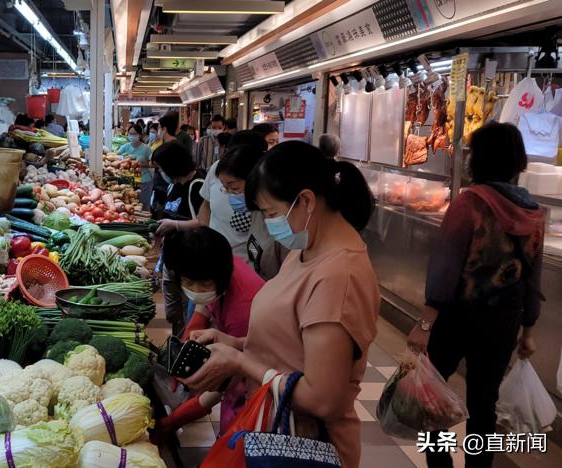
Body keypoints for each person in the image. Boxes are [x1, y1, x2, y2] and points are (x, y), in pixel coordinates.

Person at [180, 141, 379, 468]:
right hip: (270, 427)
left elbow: (322, 398)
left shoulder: (338, 276)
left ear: (306, 200)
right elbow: (295, 343)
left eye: (271, 213)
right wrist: (238, 344)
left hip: (301, 447)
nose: (270, 223)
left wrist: (240, 363)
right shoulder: (305, 252)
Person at [407, 123, 544, 468]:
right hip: (503, 320)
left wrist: (424, 324)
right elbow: (532, 278)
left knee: (432, 397)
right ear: (518, 160)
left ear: (478, 159)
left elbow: (444, 268)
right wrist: (528, 330)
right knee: (485, 403)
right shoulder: (534, 212)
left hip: (457, 317)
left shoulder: (469, 203)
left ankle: (440, 465)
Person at [153, 227, 265, 439]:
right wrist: (194, 327)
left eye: (204, 284)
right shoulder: (214, 262)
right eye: (187, 282)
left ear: (220, 279)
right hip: (240, 366)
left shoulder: (244, 309)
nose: (196, 290)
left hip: (252, 385)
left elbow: (225, 382)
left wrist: (174, 420)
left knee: (237, 438)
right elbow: (204, 302)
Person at [152, 141, 206, 334]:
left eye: (161, 168)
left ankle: (183, 346)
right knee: (173, 312)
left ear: (172, 165)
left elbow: (203, 222)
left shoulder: (198, 185)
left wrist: (174, 225)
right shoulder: (173, 186)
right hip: (171, 259)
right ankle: (176, 342)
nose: (160, 173)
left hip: (190, 260)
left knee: (188, 312)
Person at [215, 140, 288, 280]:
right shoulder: (256, 213)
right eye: (226, 188)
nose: (230, 194)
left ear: (254, 179)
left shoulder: (282, 221)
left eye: (234, 188)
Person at [150, 112, 182, 217]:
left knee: (161, 214)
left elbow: (153, 163)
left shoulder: (169, 148)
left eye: (159, 127)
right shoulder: (176, 145)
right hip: (164, 188)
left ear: (164, 129)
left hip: (165, 189)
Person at [117, 124, 154, 209]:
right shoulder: (125, 147)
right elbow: (116, 157)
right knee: (130, 206)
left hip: (143, 180)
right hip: (128, 181)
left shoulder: (146, 148)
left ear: (140, 135)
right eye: (130, 134)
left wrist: (139, 164)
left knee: (143, 205)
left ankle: (145, 221)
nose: (132, 136)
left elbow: (153, 163)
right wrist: (124, 160)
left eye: (134, 134)